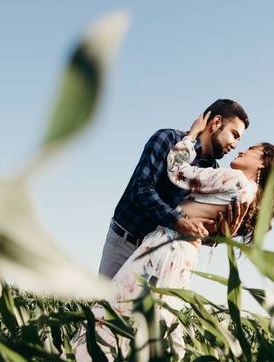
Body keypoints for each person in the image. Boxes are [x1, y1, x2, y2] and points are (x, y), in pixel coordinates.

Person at [73, 112, 274, 362]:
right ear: (217, 122)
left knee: (107, 321)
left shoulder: (233, 180)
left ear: (262, 165)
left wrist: (191, 135)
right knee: (151, 332)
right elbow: (204, 229)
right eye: (237, 137)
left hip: (163, 249)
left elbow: (177, 172)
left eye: (249, 148)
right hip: (177, 255)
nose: (240, 149)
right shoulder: (243, 194)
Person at [98, 99, 251, 279]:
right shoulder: (167, 139)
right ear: (216, 122)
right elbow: (141, 190)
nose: (235, 145)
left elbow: (195, 227)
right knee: (104, 305)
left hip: (159, 256)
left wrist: (219, 236)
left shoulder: (215, 174)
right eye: (234, 134)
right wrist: (178, 221)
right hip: (124, 243)